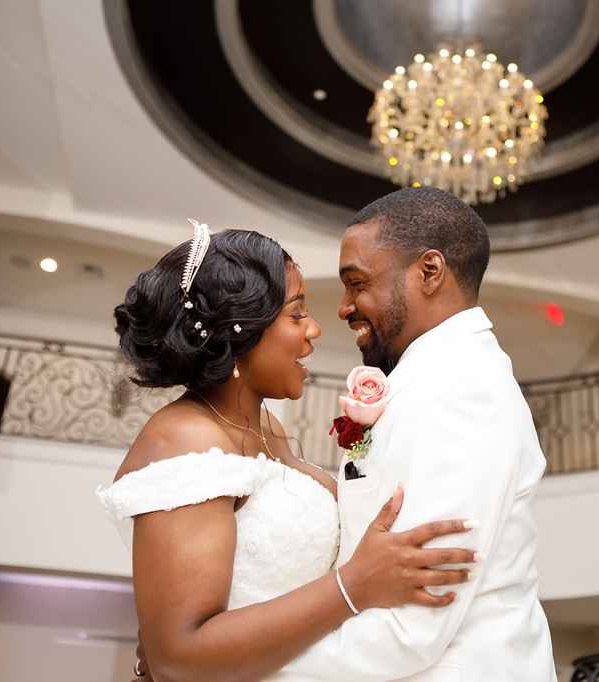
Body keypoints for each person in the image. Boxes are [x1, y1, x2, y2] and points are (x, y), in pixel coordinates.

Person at [97, 223, 478, 681]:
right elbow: (178, 657)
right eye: (296, 314)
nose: (314, 328)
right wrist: (353, 586)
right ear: (239, 329)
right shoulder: (186, 439)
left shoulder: (265, 427)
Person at [273, 186, 557, 680]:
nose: (343, 307)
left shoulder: (464, 388)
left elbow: (414, 627)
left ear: (429, 271)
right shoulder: (435, 377)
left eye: (357, 283)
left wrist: (238, 666)